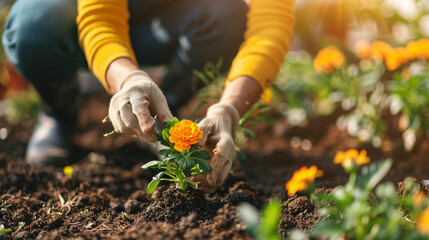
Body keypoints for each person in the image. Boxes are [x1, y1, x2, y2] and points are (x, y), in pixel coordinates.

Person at [2, 0, 294, 191]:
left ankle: (161, 117)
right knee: (33, 26)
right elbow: (100, 15)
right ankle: (60, 112)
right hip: (77, 16)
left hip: (175, 17)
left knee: (229, 13)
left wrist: (229, 109)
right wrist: (127, 77)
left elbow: (271, 26)